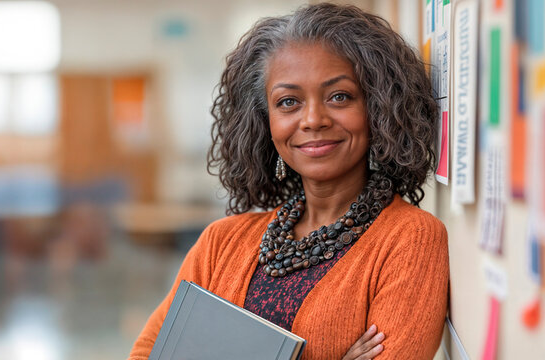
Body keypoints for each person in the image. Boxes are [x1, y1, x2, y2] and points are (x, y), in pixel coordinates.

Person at [129, 3, 448, 359]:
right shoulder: (220, 244)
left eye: (339, 96)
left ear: (379, 107)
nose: (313, 119)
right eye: (289, 102)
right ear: (265, 121)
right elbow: (147, 353)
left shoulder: (408, 240)